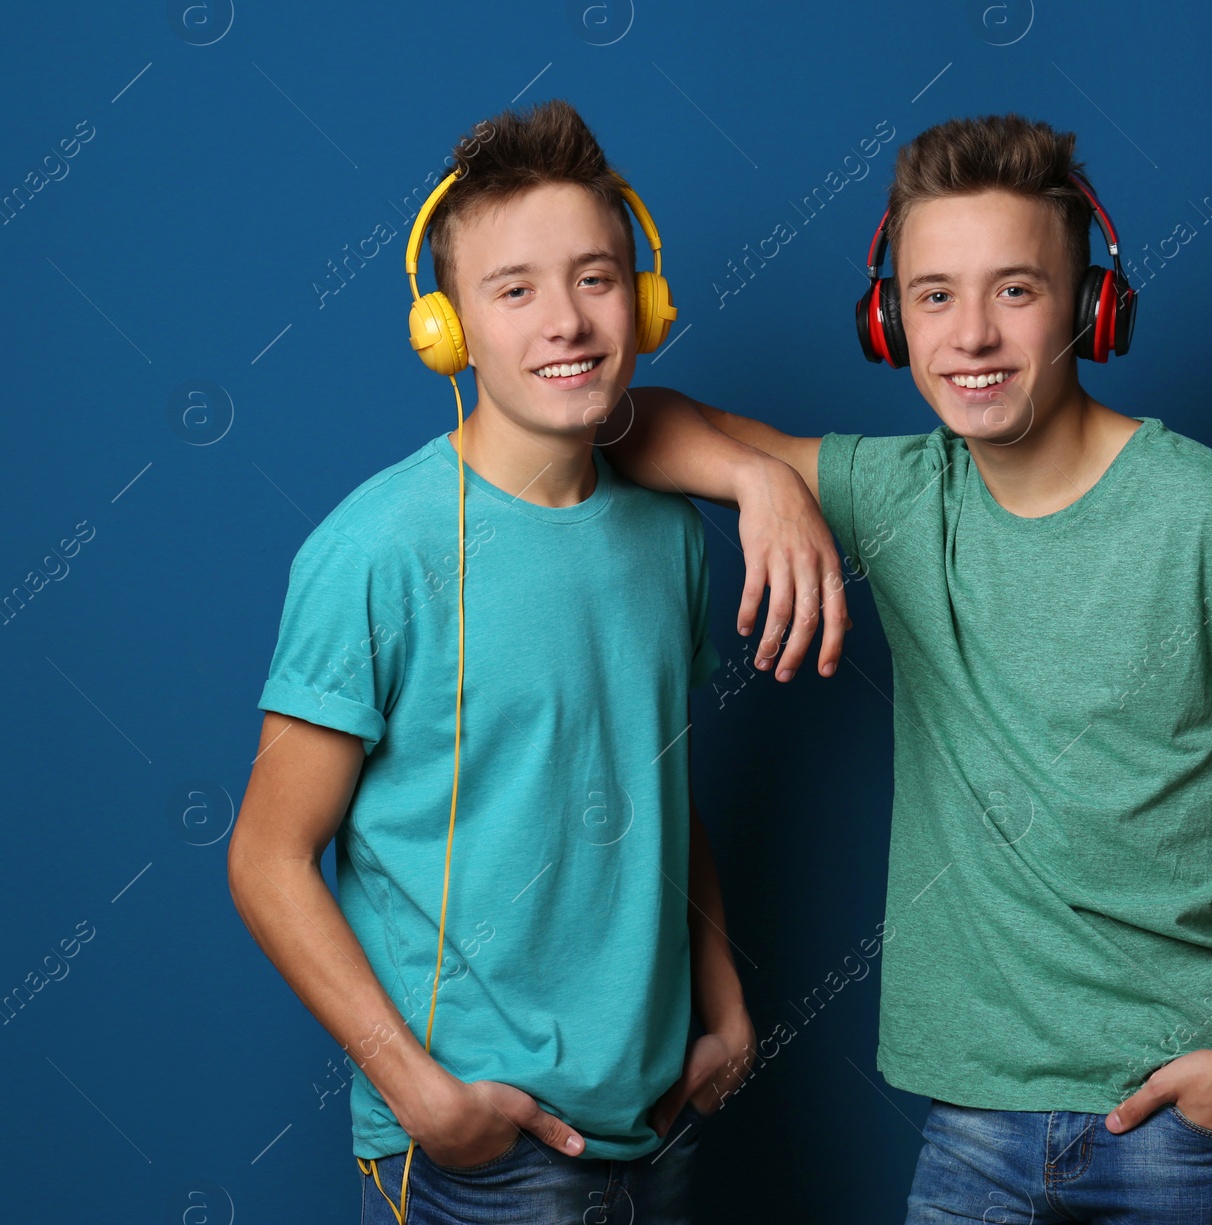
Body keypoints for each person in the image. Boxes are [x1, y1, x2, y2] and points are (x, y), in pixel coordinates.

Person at [603, 114, 1212, 1223]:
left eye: (1015, 290)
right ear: (886, 319)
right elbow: (626, 421)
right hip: (972, 1130)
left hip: (1183, 1133)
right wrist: (762, 483)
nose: (971, 337)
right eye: (934, 295)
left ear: (1091, 309)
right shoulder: (905, 495)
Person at [227, 98, 844, 1225]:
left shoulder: (668, 533)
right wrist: (422, 1095)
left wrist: (726, 1003)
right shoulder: (376, 549)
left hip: (658, 1126)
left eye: (596, 277)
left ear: (645, 302)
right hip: (478, 1151)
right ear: (449, 330)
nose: (564, 320)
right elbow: (268, 858)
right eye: (514, 290)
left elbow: (649, 779)